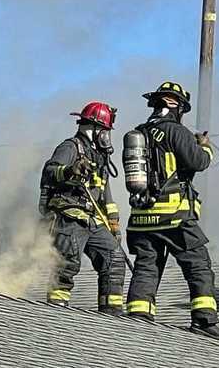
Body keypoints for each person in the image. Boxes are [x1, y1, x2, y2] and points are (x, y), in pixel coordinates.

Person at [124, 81, 219, 340]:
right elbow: (198, 162)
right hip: (174, 216)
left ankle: (139, 317)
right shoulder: (176, 131)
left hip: (141, 218)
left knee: (147, 265)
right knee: (198, 265)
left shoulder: (140, 132)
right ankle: (204, 322)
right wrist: (204, 145)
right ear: (176, 106)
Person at [40, 101, 126, 314]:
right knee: (67, 262)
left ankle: (112, 314)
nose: (107, 136)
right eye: (105, 131)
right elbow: (50, 171)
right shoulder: (70, 147)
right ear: (94, 128)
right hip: (68, 216)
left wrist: (113, 223)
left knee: (114, 257)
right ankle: (56, 312)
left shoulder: (99, 156)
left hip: (91, 219)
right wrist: (71, 171)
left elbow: (105, 192)